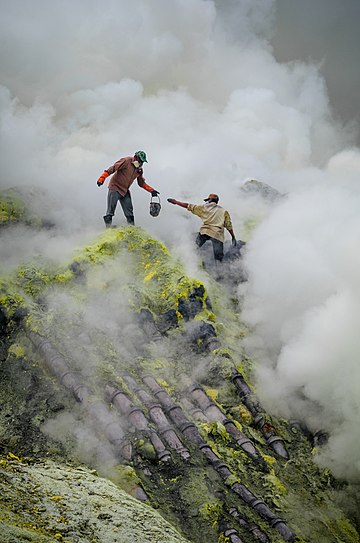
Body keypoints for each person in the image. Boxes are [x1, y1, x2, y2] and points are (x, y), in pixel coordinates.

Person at [97, 150, 159, 227]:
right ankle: (108, 228)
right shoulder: (126, 161)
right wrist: (102, 178)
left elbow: (141, 183)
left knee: (129, 211)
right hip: (115, 187)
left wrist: (152, 190)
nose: (140, 163)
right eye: (140, 161)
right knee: (111, 210)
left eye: (142, 162)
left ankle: (131, 228)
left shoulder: (139, 170)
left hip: (125, 190)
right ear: (136, 157)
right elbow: (112, 169)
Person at [167, 193, 236, 262]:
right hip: (217, 235)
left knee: (194, 248)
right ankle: (220, 269)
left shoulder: (204, 207)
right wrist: (233, 237)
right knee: (219, 258)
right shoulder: (224, 211)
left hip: (205, 232)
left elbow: (188, 206)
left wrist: (176, 202)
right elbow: (228, 225)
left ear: (210, 200)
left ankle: (187, 261)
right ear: (217, 201)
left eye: (207, 200)